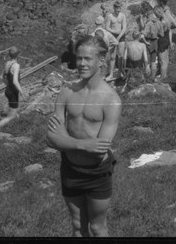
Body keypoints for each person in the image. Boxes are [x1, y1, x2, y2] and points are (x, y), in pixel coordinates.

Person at [46, 38, 122, 238]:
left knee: (97, 228)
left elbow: (98, 151)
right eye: (79, 58)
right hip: (70, 169)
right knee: (78, 225)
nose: (82, 64)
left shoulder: (111, 100)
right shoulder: (66, 93)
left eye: (88, 59)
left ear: (101, 61)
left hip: (96, 173)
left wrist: (65, 140)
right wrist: (83, 145)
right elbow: (50, 139)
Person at [0, 48, 23, 131]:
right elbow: (15, 81)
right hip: (13, 92)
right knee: (11, 116)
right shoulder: (16, 65)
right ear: (18, 55)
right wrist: (21, 91)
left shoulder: (8, 63)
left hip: (8, 90)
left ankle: (5, 120)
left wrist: (7, 85)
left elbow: (2, 77)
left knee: (14, 110)